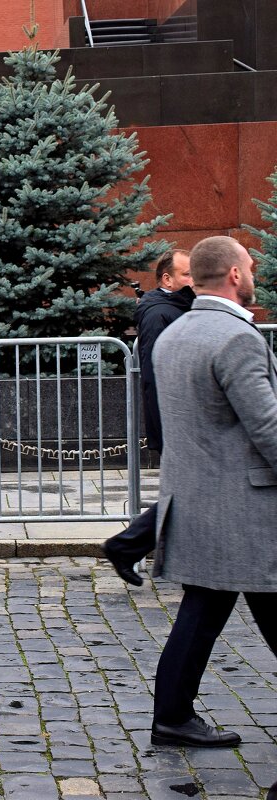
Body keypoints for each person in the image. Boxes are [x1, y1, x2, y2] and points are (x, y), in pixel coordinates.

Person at [148, 236, 277, 749]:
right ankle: (172, 716)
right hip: (246, 513)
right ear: (233, 276)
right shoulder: (236, 338)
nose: (253, 272)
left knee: (200, 615)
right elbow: (268, 429)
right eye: (249, 266)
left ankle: (173, 716)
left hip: (203, 505)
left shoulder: (176, 333)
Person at [102, 250, 193, 586]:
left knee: (187, 495)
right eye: (187, 275)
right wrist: (167, 427)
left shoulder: (182, 307)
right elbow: (155, 376)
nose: (193, 280)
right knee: (188, 495)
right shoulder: (158, 314)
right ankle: (125, 547)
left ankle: (127, 547)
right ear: (167, 279)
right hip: (177, 421)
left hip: (185, 420)